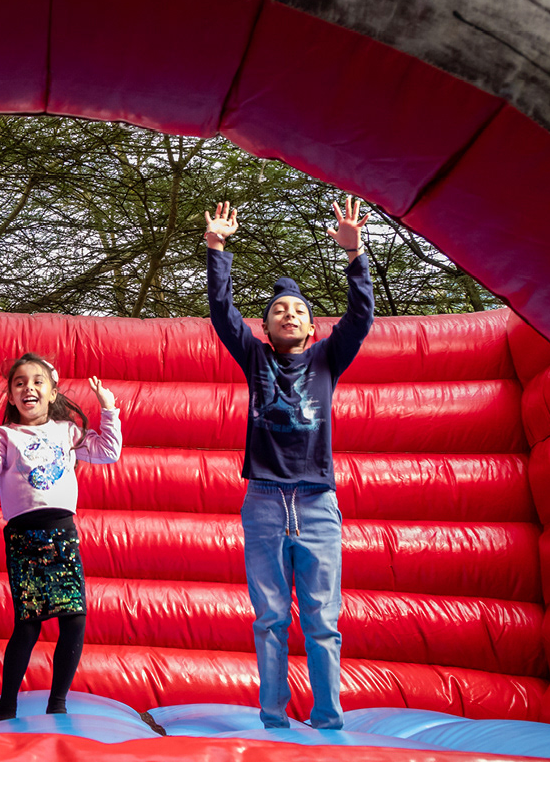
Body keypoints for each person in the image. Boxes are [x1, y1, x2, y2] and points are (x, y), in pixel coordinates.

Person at [203, 197, 374, 730]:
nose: (289, 315)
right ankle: (274, 719)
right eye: (279, 310)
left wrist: (355, 255)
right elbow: (222, 312)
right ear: (266, 326)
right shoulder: (255, 357)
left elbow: (361, 317)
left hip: (317, 501)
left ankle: (328, 721)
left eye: (298, 310)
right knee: (271, 617)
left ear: (312, 327)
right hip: (264, 501)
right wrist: (217, 248)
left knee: (322, 618)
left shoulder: (327, 359)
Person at [0, 354, 121, 719]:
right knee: (28, 623)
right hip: (24, 537)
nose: (28, 387)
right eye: (19, 383)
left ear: (52, 392)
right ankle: (7, 705)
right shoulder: (5, 436)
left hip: (62, 532)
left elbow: (109, 452)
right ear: (11, 397)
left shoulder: (66, 431)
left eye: (37, 381)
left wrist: (109, 409)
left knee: (74, 618)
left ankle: (57, 703)